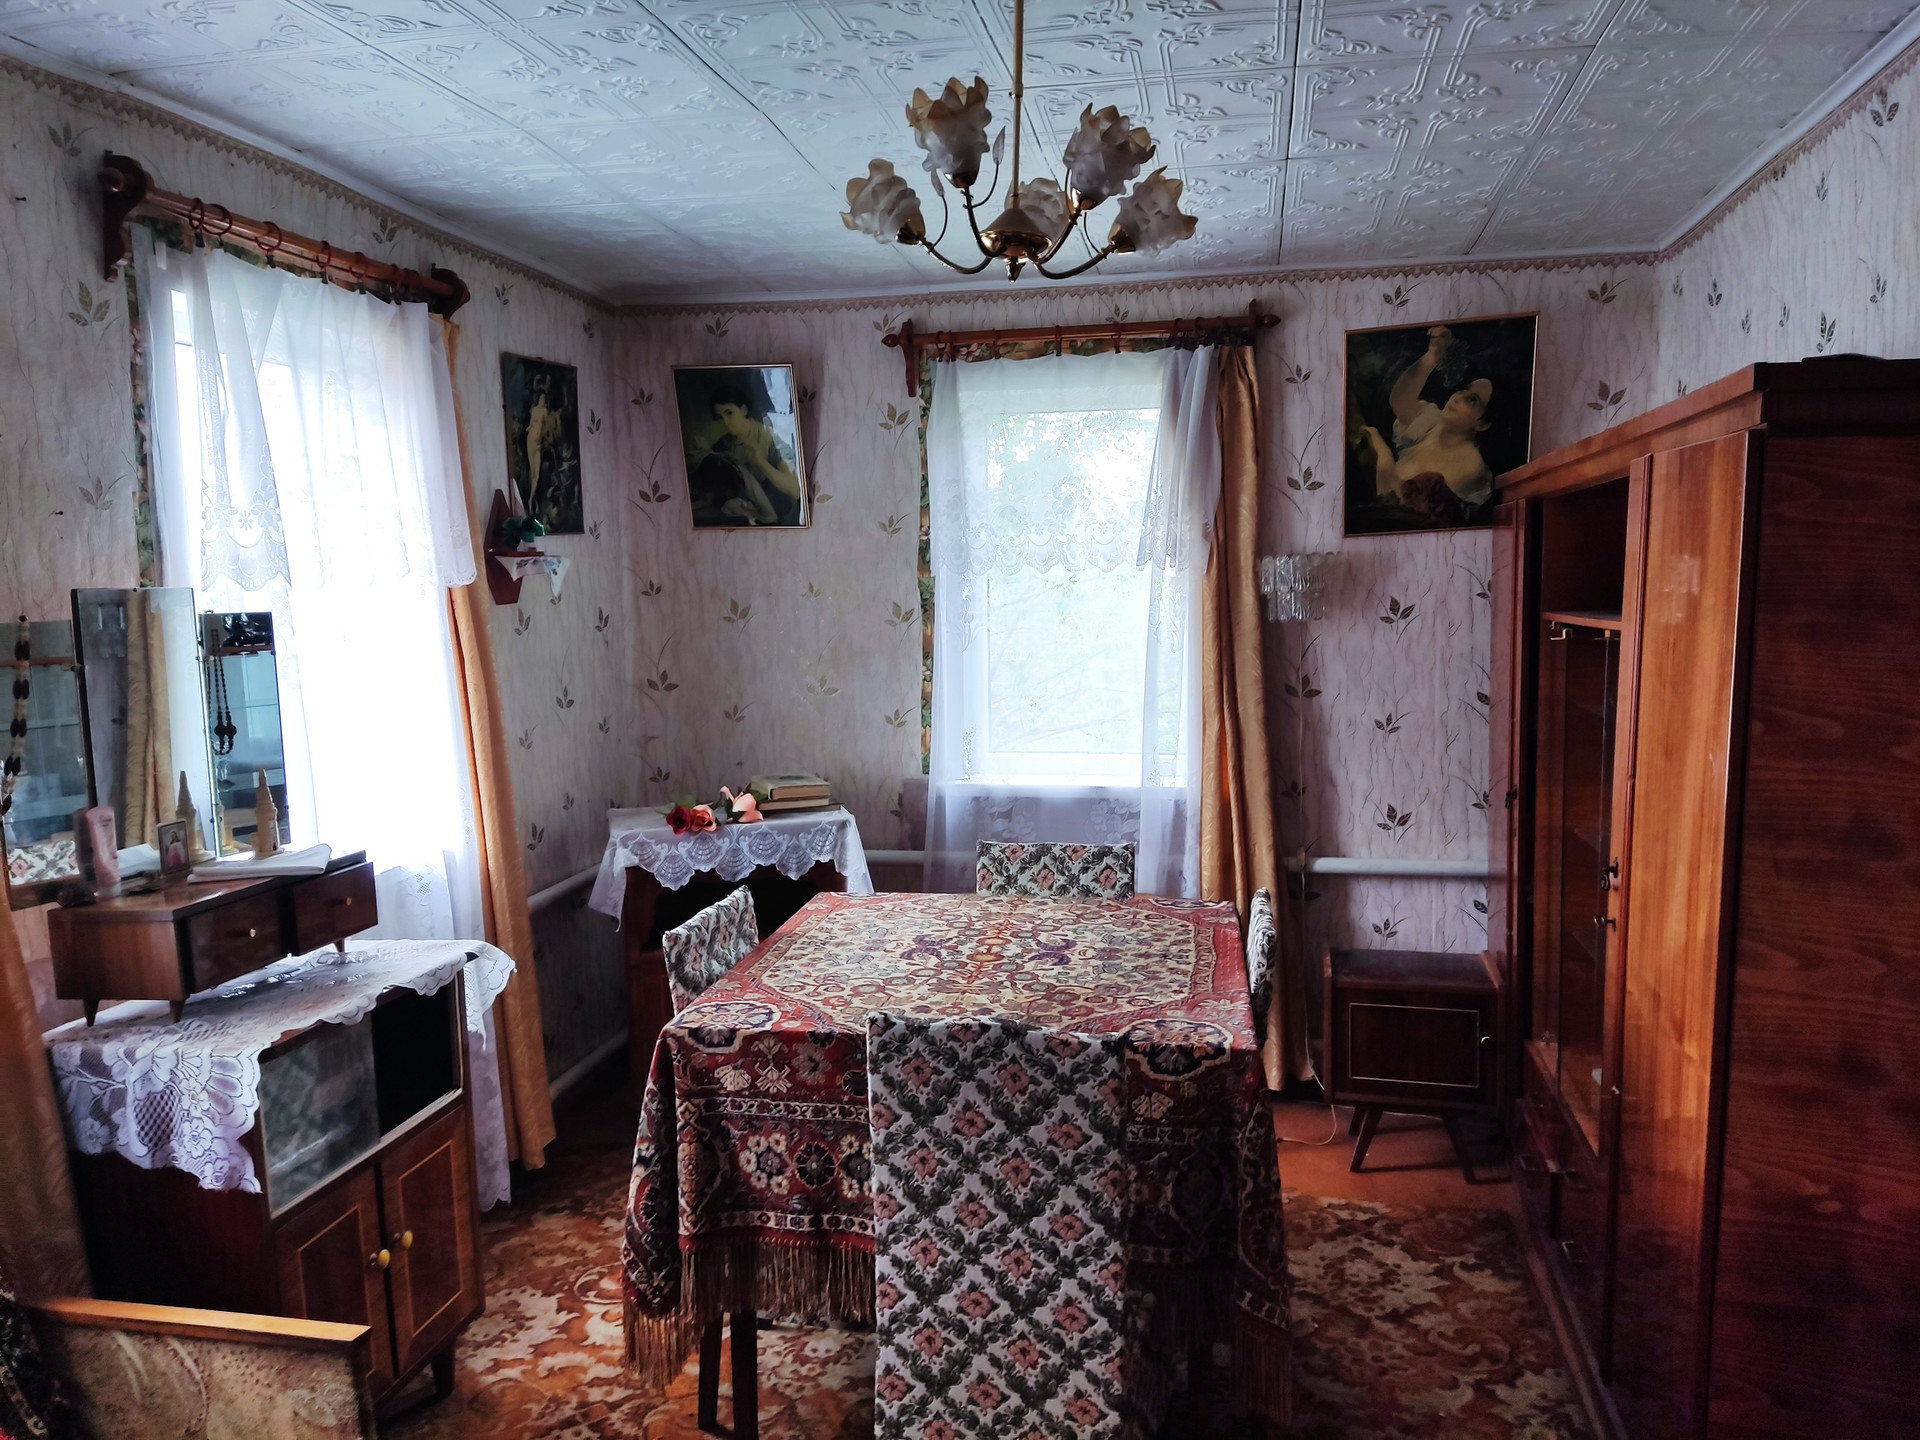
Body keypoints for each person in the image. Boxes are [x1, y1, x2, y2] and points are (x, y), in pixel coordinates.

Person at [1358, 326, 1496, 519]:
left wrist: (1381, 449)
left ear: (1482, 424)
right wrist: (1432, 356)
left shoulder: (1470, 465)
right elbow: (1400, 402)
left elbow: (1403, 503)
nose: (1458, 397)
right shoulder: (1434, 421)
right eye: (1464, 389)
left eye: (1472, 400)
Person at [685, 384, 804, 526]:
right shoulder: (725, 442)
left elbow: (795, 489)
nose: (725, 422)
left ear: (744, 410)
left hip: (783, 518)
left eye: (729, 413)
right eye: (720, 417)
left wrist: (761, 462)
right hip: (748, 516)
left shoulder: (771, 437)